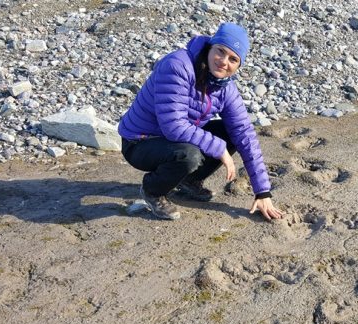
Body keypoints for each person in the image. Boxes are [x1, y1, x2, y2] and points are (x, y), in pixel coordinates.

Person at [118, 23, 283, 221]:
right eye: (220, 51)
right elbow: (174, 126)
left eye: (233, 59)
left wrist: (263, 192)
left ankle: (189, 180)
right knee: (189, 155)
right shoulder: (177, 66)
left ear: (238, 66)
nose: (223, 62)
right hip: (140, 142)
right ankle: (152, 191)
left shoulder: (225, 88)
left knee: (231, 133)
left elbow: (245, 134)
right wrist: (220, 149)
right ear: (209, 47)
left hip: (175, 139)